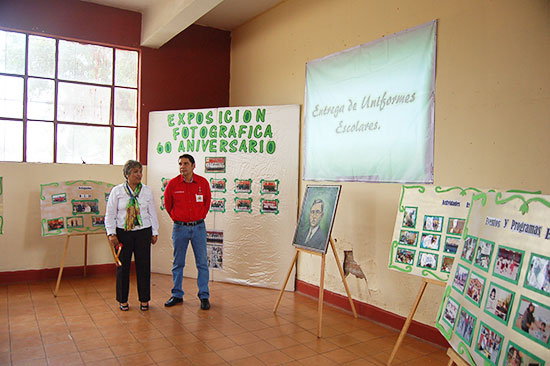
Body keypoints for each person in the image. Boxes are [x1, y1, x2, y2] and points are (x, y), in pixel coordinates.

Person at [105, 160, 159, 311]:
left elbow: (152, 213)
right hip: (123, 233)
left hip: (143, 232)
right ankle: (123, 300)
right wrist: (111, 233)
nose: (139, 175)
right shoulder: (117, 191)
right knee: (123, 268)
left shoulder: (147, 191)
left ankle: (144, 300)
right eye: (135, 172)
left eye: (140, 171)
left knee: (144, 266)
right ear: (127, 174)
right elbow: (110, 214)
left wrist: (155, 232)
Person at [164, 154, 212, 310]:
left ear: (193, 165)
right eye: (180, 164)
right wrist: (177, 219)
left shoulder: (203, 183)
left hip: (198, 228)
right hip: (179, 228)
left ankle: (204, 296)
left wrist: (199, 218)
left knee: (202, 263)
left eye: (186, 163)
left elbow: (206, 203)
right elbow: (168, 205)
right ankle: (177, 294)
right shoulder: (172, 184)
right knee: (178, 263)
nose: (182, 167)